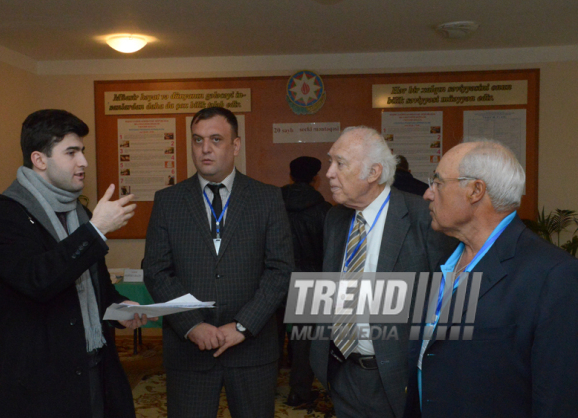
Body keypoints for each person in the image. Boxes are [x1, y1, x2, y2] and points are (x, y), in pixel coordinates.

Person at [0, 109, 149, 418]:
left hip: (96, 369)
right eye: (71, 152)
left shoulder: (77, 212)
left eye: (82, 151)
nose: (83, 161)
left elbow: (96, 289)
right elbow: (38, 280)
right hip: (44, 386)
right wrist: (95, 231)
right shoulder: (2, 217)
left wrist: (120, 309)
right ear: (40, 160)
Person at [405, 140, 578, 418]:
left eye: (437, 182)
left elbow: (558, 398)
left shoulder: (554, 276)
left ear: (475, 190)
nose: (427, 193)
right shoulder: (445, 260)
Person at [143, 107, 294, 418]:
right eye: (198, 140)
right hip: (189, 351)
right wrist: (192, 325)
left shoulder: (267, 199)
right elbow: (156, 271)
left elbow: (280, 270)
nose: (205, 149)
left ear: (235, 146)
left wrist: (242, 326)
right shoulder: (169, 201)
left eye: (215, 139)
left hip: (251, 348)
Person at [309, 126, 455, 418]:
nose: (329, 173)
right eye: (329, 161)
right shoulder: (335, 218)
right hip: (343, 373)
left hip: (399, 378)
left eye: (340, 163)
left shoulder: (423, 218)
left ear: (374, 172)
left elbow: (447, 307)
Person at [281, 156, 332, 407]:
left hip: (274, 277)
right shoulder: (325, 211)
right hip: (311, 280)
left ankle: (260, 388)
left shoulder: (272, 203)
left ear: (290, 176)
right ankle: (298, 392)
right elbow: (329, 252)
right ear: (315, 179)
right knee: (303, 341)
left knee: (268, 336)